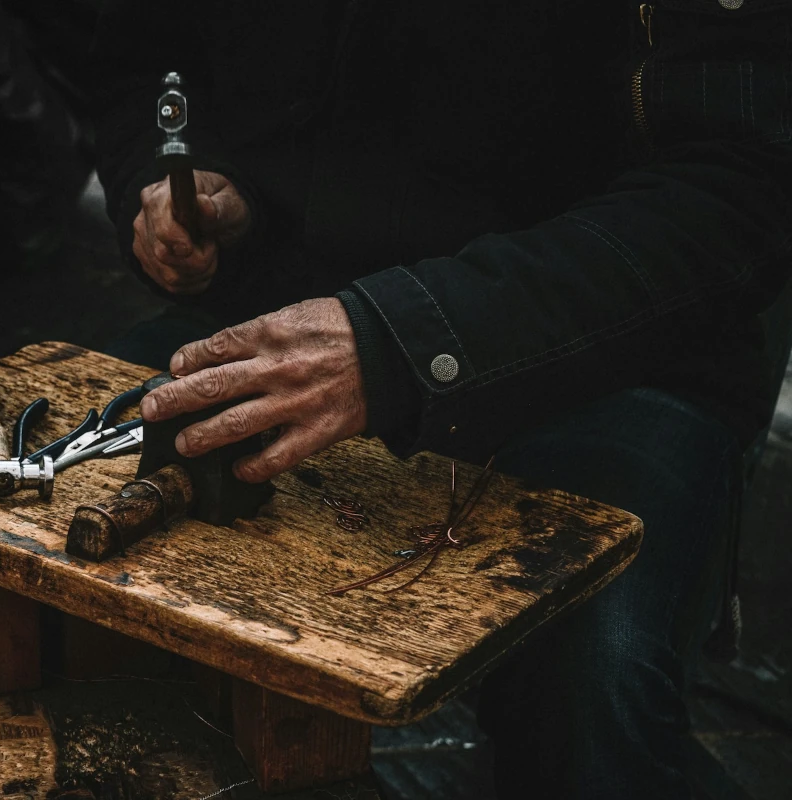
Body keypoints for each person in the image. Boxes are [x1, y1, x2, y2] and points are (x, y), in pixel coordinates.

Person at [90, 2, 792, 797]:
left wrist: (401, 341)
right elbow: (139, 59)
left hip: (608, 353)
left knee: (593, 680)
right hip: (285, 306)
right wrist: (176, 166)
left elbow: (735, 191)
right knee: (67, 571)